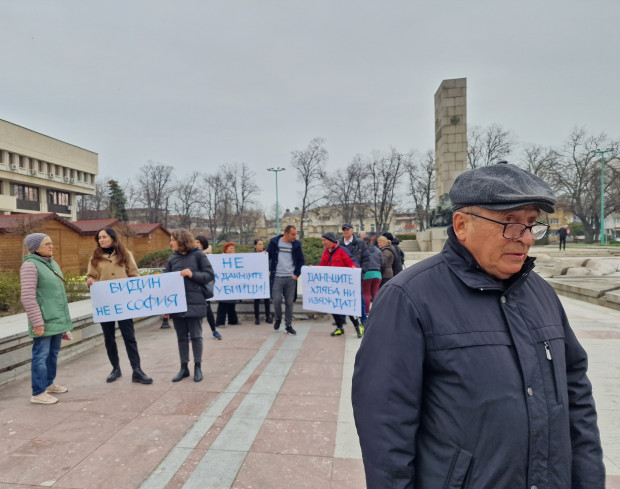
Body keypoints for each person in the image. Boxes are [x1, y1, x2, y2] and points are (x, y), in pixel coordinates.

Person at [352, 162, 605, 489]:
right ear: (461, 225)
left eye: (531, 224)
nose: (526, 238)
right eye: (509, 223)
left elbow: (577, 398)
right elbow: (385, 427)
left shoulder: (541, 293)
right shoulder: (408, 298)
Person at [86, 228, 152, 384]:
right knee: (109, 338)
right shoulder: (94, 258)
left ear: (112, 238)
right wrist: (90, 282)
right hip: (105, 304)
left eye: (104, 237)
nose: (101, 240)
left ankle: (137, 370)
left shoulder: (125, 254)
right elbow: (91, 276)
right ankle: (115, 368)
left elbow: (135, 275)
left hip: (123, 304)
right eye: (99, 238)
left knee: (129, 337)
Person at [20, 233, 73, 404]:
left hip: (56, 318)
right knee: (41, 356)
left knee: (52, 354)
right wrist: (37, 322)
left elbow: (57, 295)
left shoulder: (51, 264)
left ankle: (49, 384)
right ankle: (38, 392)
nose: (51, 246)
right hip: (43, 320)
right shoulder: (30, 265)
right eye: (46, 244)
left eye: (51, 243)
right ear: (34, 248)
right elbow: (27, 297)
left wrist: (64, 322)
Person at [165, 228, 215, 382]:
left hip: (195, 301)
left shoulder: (199, 255)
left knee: (196, 336)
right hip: (177, 304)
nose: (171, 243)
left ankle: (198, 367)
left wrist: (192, 274)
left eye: (173, 240)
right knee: (181, 337)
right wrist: (165, 308)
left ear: (181, 240)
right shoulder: (172, 259)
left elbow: (209, 275)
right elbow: (165, 284)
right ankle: (184, 367)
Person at [319, 232, 363, 338]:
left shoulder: (342, 250)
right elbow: (322, 265)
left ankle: (358, 326)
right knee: (333, 307)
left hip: (344, 286)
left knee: (348, 308)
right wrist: (312, 269)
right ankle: (339, 328)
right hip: (332, 287)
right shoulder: (326, 252)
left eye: (324, 240)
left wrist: (354, 268)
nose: (323, 242)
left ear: (330, 241)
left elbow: (352, 262)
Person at [267, 225, 305, 335]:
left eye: (295, 234)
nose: (295, 236)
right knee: (276, 300)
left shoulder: (297, 245)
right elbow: (267, 256)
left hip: (290, 278)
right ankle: (278, 318)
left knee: (289, 302)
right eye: (293, 234)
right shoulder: (275, 243)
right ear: (286, 233)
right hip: (277, 277)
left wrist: (296, 274)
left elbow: (301, 261)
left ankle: (288, 325)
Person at [339, 223, 369, 324]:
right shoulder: (339, 243)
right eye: (344, 230)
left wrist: (362, 271)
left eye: (347, 229)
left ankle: (363, 318)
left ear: (352, 230)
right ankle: (342, 319)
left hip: (356, 276)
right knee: (341, 297)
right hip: (342, 277)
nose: (345, 231)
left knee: (359, 297)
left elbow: (366, 258)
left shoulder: (360, 243)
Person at [194, 235, 221, 340]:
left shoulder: (208, 255)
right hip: (194, 285)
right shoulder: (192, 254)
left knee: (207, 309)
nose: (196, 244)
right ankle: (193, 333)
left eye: (198, 242)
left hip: (203, 285)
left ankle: (214, 330)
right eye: (195, 242)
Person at [215, 242, 241, 327]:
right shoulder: (220, 259)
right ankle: (220, 322)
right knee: (223, 303)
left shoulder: (235, 259)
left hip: (232, 284)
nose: (233, 250)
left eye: (234, 248)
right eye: (231, 248)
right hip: (223, 285)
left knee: (232, 303)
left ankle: (233, 320)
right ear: (226, 250)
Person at [253, 239, 273, 325]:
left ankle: (268, 316)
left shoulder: (266, 254)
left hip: (265, 279)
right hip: (256, 279)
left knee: (266, 299)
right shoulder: (252, 256)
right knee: (256, 299)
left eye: (262, 244)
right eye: (259, 244)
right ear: (255, 246)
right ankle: (257, 318)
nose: (261, 246)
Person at [361, 235, 382, 314]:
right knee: (375, 292)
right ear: (371, 242)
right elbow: (382, 262)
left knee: (366, 293)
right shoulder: (378, 250)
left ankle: (367, 312)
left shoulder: (363, 250)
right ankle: (378, 310)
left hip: (367, 274)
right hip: (377, 273)